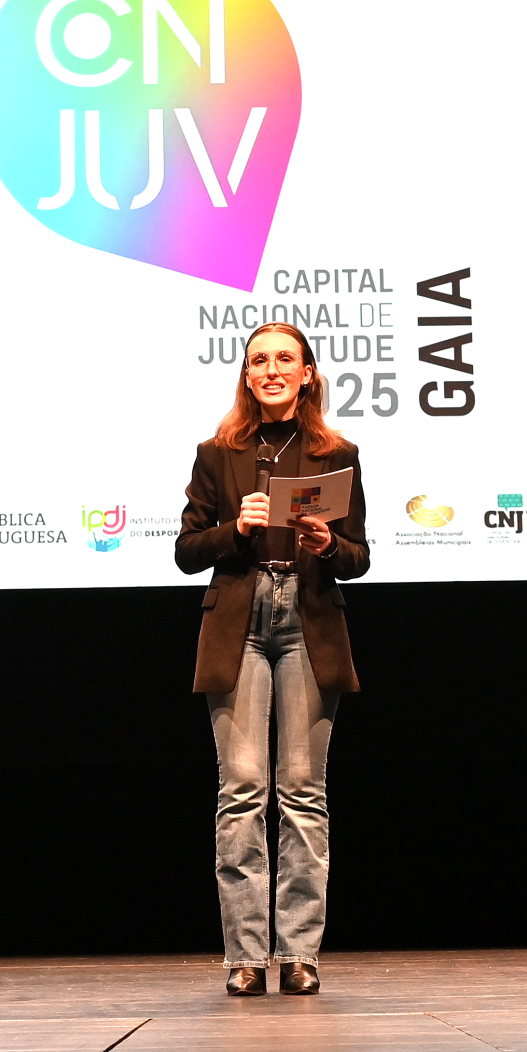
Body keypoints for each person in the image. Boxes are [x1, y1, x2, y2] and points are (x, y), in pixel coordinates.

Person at [176, 322, 369, 996]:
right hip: (241, 620)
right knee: (242, 788)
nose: (272, 369)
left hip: (308, 619)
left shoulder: (335, 451)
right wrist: (238, 529)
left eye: (285, 358)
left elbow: (359, 557)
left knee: (303, 790)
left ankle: (300, 953)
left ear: (308, 372)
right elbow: (187, 549)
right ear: (248, 375)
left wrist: (325, 542)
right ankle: (247, 956)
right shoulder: (218, 452)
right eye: (260, 360)